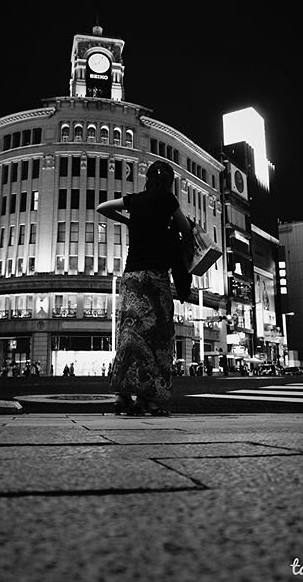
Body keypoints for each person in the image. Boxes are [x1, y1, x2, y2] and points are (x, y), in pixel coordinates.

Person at [97, 160, 191, 416]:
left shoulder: (135, 200)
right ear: (169, 181)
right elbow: (185, 230)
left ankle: (122, 394)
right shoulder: (168, 200)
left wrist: (127, 222)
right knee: (158, 337)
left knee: (130, 334)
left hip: (132, 277)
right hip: (156, 277)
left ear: (147, 178)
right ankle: (150, 399)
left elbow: (102, 207)